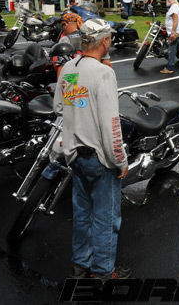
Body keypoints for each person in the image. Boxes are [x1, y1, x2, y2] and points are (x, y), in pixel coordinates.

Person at [53, 18, 130, 281]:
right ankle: (103, 272)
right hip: (100, 158)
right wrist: (120, 160)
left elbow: (59, 107)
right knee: (106, 218)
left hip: (74, 154)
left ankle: (80, 264)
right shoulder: (103, 73)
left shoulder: (69, 68)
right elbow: (111, 124)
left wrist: (80, 107)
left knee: (82, 213)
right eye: (110, 38)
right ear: (104, 41)